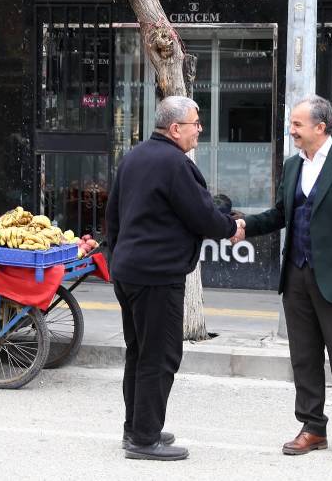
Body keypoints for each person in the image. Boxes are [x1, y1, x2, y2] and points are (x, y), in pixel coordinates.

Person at [232, 95, 332, 462]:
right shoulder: (293, 165)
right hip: (296, 274)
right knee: (304, 356)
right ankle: (312, 427)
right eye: (292, 124)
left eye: (297, 125)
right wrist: (245, 226)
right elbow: (282, 213)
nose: (291, 130)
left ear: (320, 127)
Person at [106, 96, 240, 461]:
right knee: (160, 356)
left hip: (128, 272)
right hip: (157, 275)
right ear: (176, 128)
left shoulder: (133, 157)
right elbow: (202, 216)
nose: (200, 129)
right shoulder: (175, 164)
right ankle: (144, 439)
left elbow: (112, 216)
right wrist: (232, 227)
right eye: (196, 123)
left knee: (138, 353)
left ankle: (136, 428)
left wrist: (115, 257)